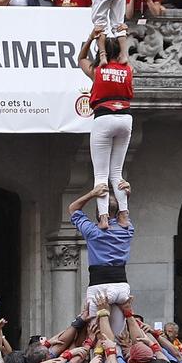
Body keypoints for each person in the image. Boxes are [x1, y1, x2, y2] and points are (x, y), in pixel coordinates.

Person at [78, 27, 133, 221]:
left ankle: (103, 217)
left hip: (104, 116)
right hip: (125, 117)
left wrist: (90, 39)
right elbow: (124, 55)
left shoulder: (98, 70)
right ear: (119, 52)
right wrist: (122, 37)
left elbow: (80, 59)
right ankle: (124, 215)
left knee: (100, 175)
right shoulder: (127, 69)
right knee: (117, 172)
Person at [70, 184, 134, 333]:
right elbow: (122, 214)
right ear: (117, 212)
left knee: (97, 334)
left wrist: (92, 193)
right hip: (121, 287)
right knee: (117, 337)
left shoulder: (92, 231)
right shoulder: (127, 230)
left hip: (100, 286)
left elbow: (73, 209)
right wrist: (124, 196)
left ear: (98, 212)